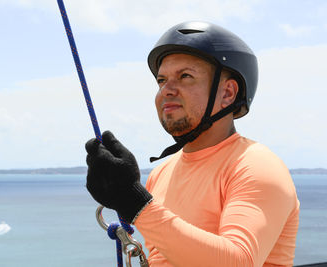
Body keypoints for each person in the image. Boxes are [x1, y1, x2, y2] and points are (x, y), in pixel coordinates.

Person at [85, 21, 300, 267]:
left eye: (185, 76)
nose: (166, 89)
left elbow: (239, 261)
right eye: (161, 80)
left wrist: (136, 204)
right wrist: (132, 200)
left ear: (228, 93)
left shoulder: (255, 165)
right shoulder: (161, 174)